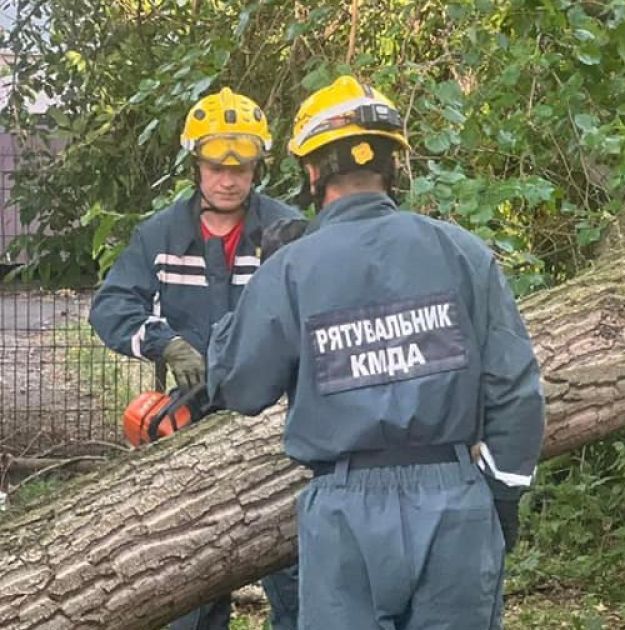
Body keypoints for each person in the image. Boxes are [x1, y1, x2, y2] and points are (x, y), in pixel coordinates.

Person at [205, 75, 546, 629]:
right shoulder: (462, 253)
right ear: (393, 165)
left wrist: (265, 278)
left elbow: (238, 386)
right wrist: (503, 494)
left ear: (312, 172)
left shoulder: (291, 268)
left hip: (344, 512)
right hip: (454, 502)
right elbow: (515, 390)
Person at [88, 87, 303, 629]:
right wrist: (164, 342)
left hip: (276, 425)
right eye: (216, 168)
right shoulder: (162, 233)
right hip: (190, 428)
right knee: (188, 576)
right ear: (196, 166)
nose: (228, 180)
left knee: (297, 575)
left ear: (257, 168)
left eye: (240, 169)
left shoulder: (288, 230)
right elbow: (111, 307)